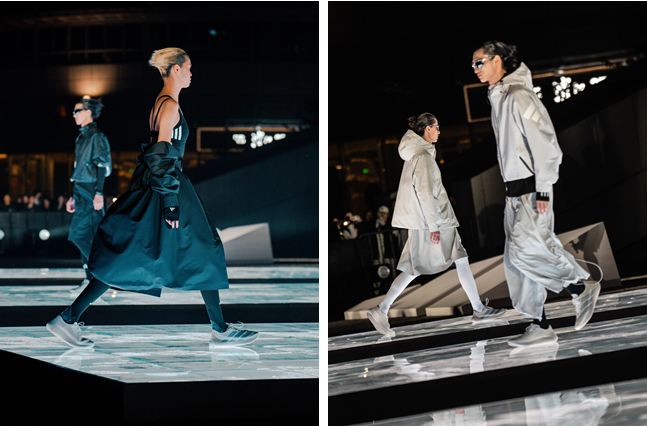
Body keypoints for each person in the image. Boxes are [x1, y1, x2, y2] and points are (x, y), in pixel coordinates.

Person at [46, 47, 258, 349]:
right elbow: (161, 156)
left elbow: (158, 156)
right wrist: (171, 202)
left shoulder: (162, 103)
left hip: (162, 187)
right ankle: (219, 329)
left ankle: (219, 327)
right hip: (167, 189)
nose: (191, 73)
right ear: (175, 69)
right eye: (188, 67)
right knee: (200, 250)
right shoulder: (169, 106)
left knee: (159, 254)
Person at [472, 41, 600, 347]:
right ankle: (540, 324)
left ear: (497, 60)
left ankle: (579, 288)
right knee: (516, 261)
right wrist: (509, 197)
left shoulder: (518, 95)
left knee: (526, 252)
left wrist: (543, 188)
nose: (475, 70)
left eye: (479, 63)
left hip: (532, 189)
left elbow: (545, 143)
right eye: (473, 65)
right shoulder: (500, 97)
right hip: (515, 193)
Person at [366, 113, 506, 336]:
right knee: (424, 265)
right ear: (427, 129)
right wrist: (434, 226)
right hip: (435, 222)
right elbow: (425, 194)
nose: (439, 131)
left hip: (429, 221)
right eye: (437, 127)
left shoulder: (416, 155)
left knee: (449, 261)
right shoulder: (423, 157)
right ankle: (382, 308)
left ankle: (478, 308)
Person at [65, 97, 112, 290]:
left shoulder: (96, 136)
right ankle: (90, 279)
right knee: (88, 236)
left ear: (88, 112)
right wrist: (72, 195)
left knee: (79, 235)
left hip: (91, 191)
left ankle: (101, 273)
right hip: (81, 190)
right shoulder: (81, 137)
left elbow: (101, 164)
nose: (74, 115)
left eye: (77, 111)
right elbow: (79, 167)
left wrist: (99, 192)